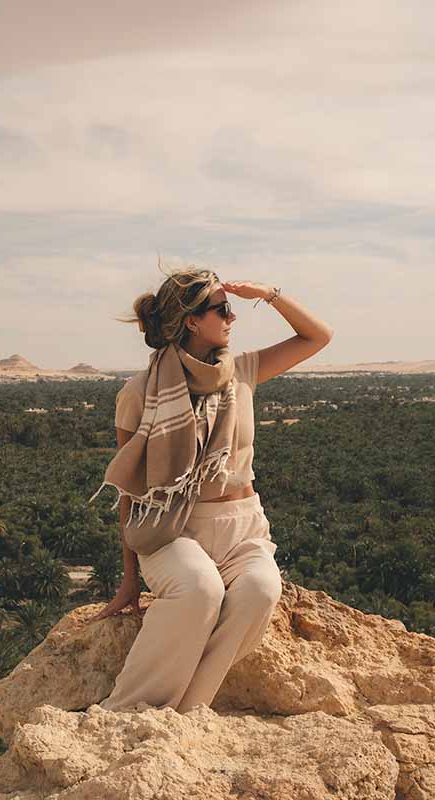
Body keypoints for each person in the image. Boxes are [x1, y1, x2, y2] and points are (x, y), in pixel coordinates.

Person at [88, 267, 334, 712]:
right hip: (173, 530)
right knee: (200, 590)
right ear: (191, 321)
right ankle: (128, 712)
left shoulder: (242, 372)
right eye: (222, 309)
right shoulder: (141, 392)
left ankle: (190, 712)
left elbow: (317, 337)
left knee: (260, 591)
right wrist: (129, 579)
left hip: (244, 528)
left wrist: (271, 294)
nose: (232, 317)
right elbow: (131, 492)